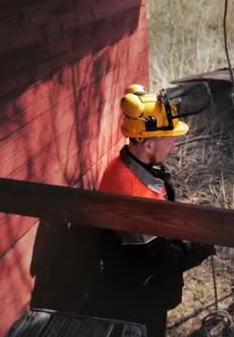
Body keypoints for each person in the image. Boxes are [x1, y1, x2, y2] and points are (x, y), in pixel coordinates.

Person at [84, 84, 215, 336]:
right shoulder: (136, 197)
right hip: (139, 295)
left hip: (133, 281)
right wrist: (202, 247)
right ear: (147, 145)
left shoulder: (126, 165)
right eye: (171, 141)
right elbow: (159, 261)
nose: (175, 147)